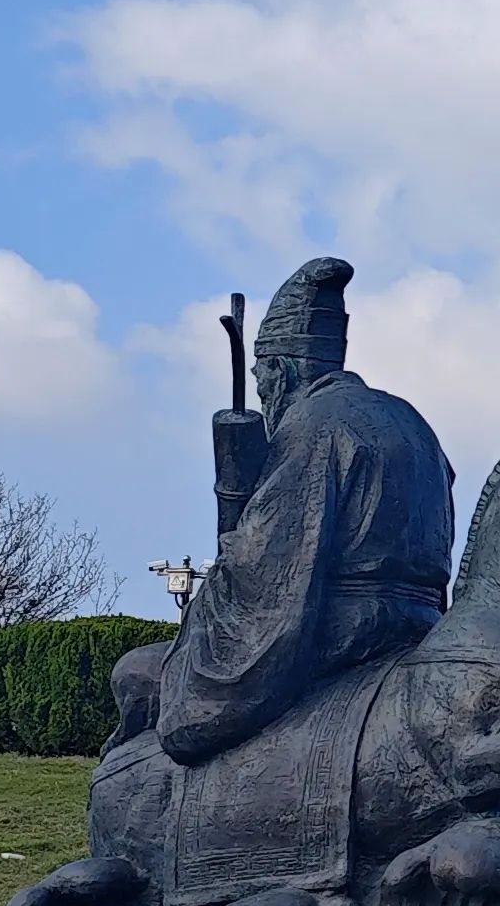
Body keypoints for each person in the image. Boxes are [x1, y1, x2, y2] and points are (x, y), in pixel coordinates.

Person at [157, 256, 459, 766]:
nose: (264, 398)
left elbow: (266, 566)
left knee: (175, 688)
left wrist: (233, 518)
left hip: (348, 631)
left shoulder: (312, 423)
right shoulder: (411, 420)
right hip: (423, 624)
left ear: (278, 372)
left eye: (262, 385)